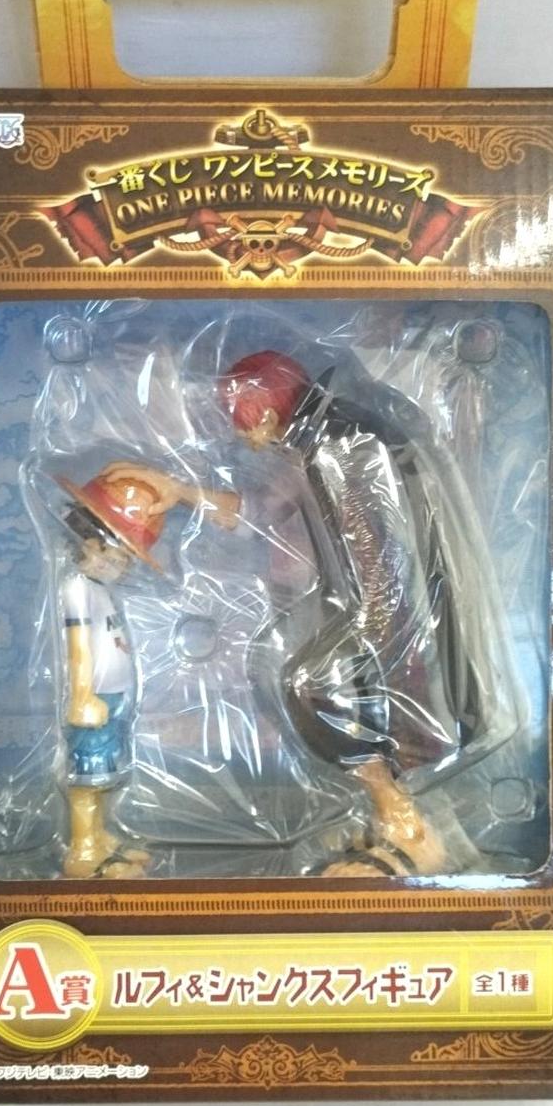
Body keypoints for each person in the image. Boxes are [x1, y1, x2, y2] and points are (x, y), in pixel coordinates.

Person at [218, 350, 524, 878]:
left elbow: (378, 544)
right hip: (387, 612)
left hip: (397, 615)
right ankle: (399, 820)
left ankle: (412, 831)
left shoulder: (340, 443)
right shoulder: (323, 440)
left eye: (240, 420)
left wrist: (377, 629)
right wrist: (180, 493)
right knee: (336, 695)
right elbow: (266, 512)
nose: (239, 436)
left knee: (318, 690)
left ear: (263, 412)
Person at [54, 462, 239, 878]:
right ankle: (83, 849)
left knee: (103, 771)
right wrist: (81, 697)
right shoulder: (78, 589)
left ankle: (98, 837)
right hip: (95, 697)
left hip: (111, 695)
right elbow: (78, 648)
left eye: (125, 558)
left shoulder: (97, 590)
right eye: (114, 553)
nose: (119, 566)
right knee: (87, 773)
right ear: (87, 542)